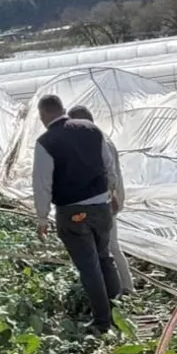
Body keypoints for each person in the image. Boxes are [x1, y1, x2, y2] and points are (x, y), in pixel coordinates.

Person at [33, 95, 121, 331]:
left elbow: (42, 184)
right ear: (63, 109)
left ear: (43, 116)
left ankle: (103, 321)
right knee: (104, 256)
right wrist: (110, 192)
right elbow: (108, 165)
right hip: (101, 207)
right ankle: (118, 307)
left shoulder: (45, 142)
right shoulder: (92, 129)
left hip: (72, 212)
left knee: (89, 266)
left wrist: (42, 217)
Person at [67, 105, 134, 294]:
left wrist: (110, 196)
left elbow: (109, 175)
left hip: (105, 201)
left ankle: (125, 288)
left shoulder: (98, 141)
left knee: (109, 246)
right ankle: (117, 286)